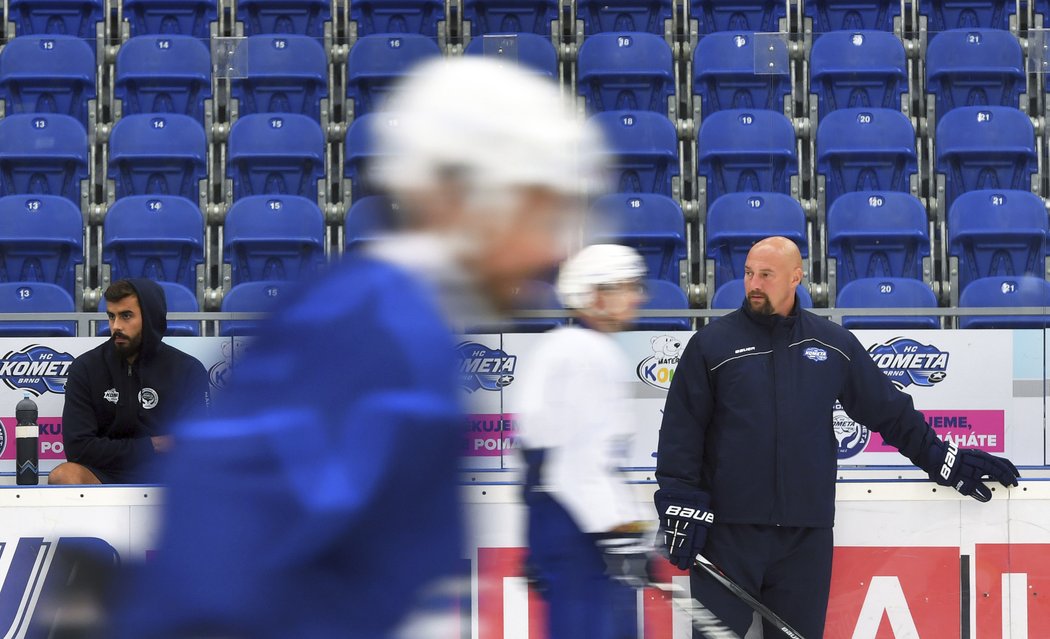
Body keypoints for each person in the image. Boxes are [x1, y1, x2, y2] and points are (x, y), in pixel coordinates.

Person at [114, 57, 605, 638]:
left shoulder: (390, 321)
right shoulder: (377, 336)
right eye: (540, 212)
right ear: (463, 196)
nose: (552, 251)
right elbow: (220, 566)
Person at [655, 236, 1020, 638]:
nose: (753, 283)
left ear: (797, 276)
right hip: (727, 536)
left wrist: (942, 459)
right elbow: (681, 432)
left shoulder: (832, 344)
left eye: (765, 274)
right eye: (747, 273)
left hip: (804, 540)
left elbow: (890, 412)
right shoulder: (712, 345)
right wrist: (680, 502)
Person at [517, 244, 651, 639]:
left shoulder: (566, 347)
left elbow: (542, 458)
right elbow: (580, 465)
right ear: (596, 295)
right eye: (627, 286)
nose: (637, 296)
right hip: (580, 530)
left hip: (564, 521)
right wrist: (620, 533)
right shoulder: (588, 354)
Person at [49, 279, 209, 485]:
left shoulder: (188, 369)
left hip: (170, 477)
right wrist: (154, 445)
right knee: (64, 476)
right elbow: (78, 449)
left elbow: (195, 446)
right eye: (111, 316)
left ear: (150, 317)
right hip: (105, 475)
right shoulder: (86, 368)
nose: (116, 326)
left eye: (126, 316)